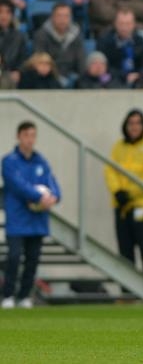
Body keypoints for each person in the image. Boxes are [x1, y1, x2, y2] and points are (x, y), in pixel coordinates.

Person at [1, 121, 61, 309]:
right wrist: (39, 196)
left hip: (37, 220)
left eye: (33, 135)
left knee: (32, 259)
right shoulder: (9, 161)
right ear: (19, 136)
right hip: (17, 219)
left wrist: (55, 197)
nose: (30, 139)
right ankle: (8, 295)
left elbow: (53, 184)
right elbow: (17, 185)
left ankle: (25, 296)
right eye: (26, 135)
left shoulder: (41, 162)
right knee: (14, 256)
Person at [104, 109, 143, 278]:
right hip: (122, 205)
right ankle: (127, 296)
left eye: (138, 123)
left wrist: (130, 193)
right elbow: (110, 170)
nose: (134, 127)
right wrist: (117, 191)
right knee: (125, 252)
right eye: (131, 123)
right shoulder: (119, 146)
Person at [33, 2, 85, 87]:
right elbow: (40, 60)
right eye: (59, 16)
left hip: (71, 75)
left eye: (66, 16)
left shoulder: (77, 36)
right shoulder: (41, 35)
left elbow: (81, 62)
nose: (62, 20)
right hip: (48, 77)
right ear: (52, 17)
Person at [96, 8, 143, 86]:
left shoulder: (140, 41)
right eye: (121, 23)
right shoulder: (104, 41)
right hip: (113, 78)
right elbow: (104, 66)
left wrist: (137, 75)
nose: (124, 28)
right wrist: (124, 76)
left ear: (134, 24)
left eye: (128, 24)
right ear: (115, 24)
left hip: (136, 79)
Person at [0, 0, 28, 85]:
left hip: (9, 74)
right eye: (0, 12)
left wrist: (18, 71)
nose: (4, 16)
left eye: (8, 12)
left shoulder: (19, 36)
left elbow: (23, 59)